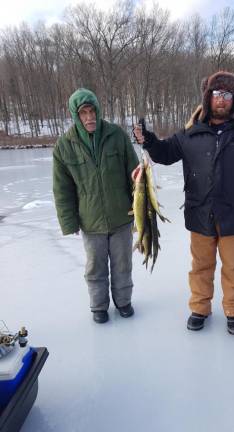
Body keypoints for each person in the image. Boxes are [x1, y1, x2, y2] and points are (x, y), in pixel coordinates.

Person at [133, 71, 234, 335]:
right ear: (207, 97)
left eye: (227, 95)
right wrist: (149, 141)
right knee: (201, 265)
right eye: (216, 94)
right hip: (200, 213)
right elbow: (165, 154)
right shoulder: (191, 133)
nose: (221, 100)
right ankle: (200, 307)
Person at [53, 88, 139, 324]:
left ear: (98, 111)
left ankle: (123, 301)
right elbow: (62, 189)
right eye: (84, 113)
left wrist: (142, 210)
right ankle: (99, 306)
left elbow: (135, 176)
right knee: (95, 268)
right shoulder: (64, 145)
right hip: (90, 221)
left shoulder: (117, 135)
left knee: (123, 264)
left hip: (122, 216)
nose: (90, 117)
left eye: (92, 111)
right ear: (76, 116)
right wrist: (69, 222)